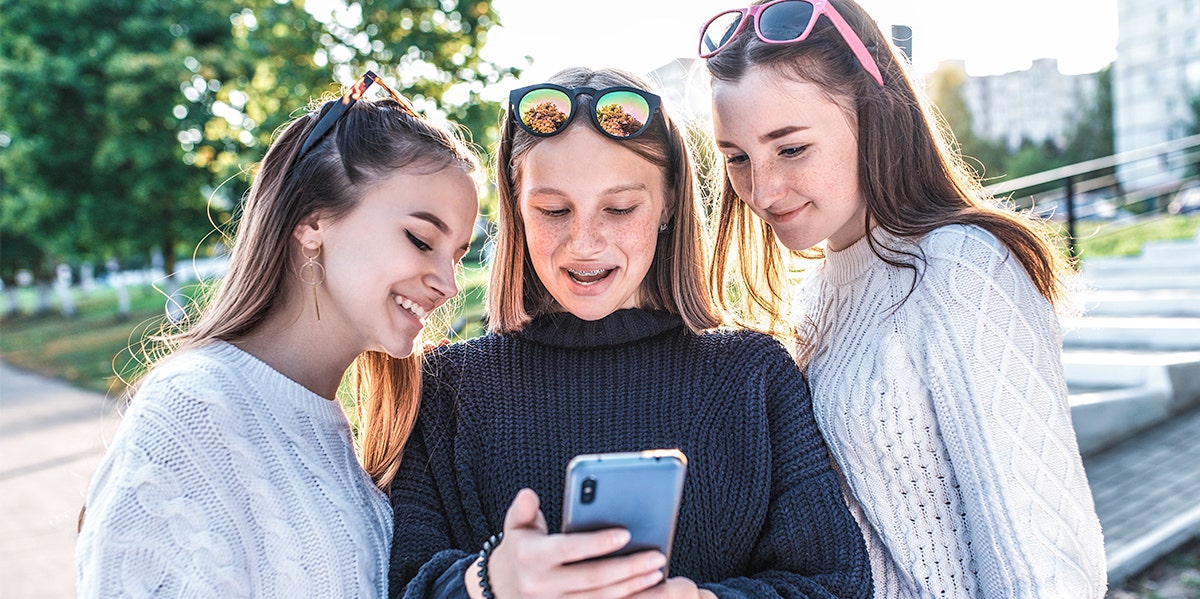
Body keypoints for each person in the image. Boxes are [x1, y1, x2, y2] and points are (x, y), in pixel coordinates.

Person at [388, 66, 872, 598]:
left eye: (619, 209)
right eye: (553, 210)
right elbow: (403, 582)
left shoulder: (754, 376)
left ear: (667, 203)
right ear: (517, 209)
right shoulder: (448, 388)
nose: (584, 242)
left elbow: (835, 584)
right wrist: (488, 583)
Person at [698, 1, 1107, 597]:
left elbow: (1041, 565)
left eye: (790, 149)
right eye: (736, 158)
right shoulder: (815, 296)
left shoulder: (958, 267)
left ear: (874, 113)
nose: (761, 189)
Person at [75, 71, 480, 597]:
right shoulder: (193, 410)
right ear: (312, 222)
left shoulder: (345, 437)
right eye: (421, 240)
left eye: (457, 256)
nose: (448, 283)